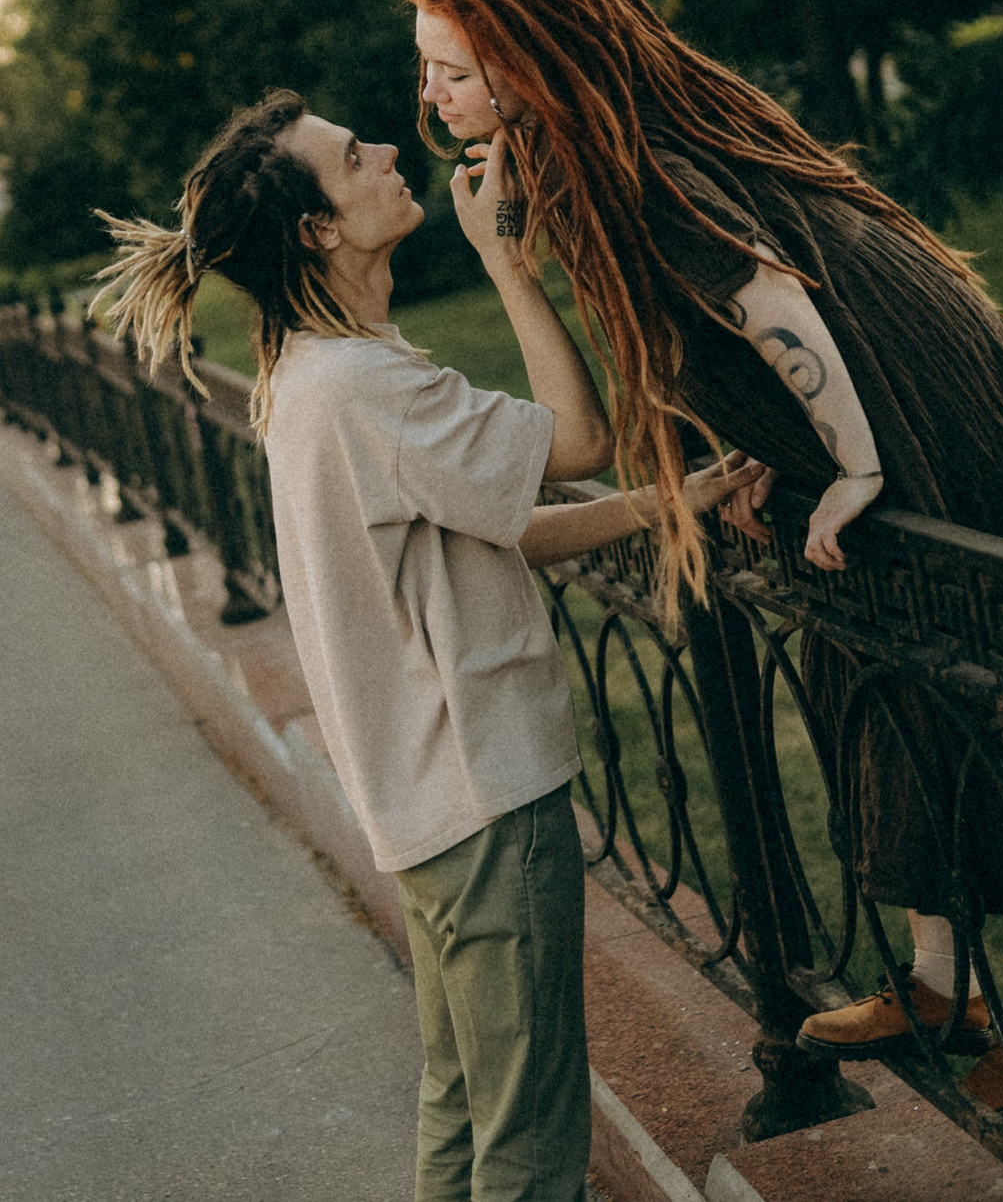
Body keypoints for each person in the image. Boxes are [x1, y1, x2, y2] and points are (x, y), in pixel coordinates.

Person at [397, 0, 1003, 1119]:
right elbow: (719, 327)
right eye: (427, 64)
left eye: (454, 70)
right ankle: (939, 984)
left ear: (529, 67)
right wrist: (759, 445)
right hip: (865, 404)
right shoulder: (585, 156)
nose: (429, 96)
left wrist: (850, 463)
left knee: (978, 686)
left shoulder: (634, 168)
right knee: (882, 680)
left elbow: (765, 295)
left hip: (910, 411)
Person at [94, 91, 762, 1202]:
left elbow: (500, 528)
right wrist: (510, 266)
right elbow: (581, 439)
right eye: (354, 158)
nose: (389, 151)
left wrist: (664, 502)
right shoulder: (367, 387)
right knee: (530, 1146)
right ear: (319, 229)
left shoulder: (313, 374)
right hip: (483, 795)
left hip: (424, 804)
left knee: (463, 1115)